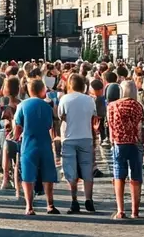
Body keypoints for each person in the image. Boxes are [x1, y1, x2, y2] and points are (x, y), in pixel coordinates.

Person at [13, 77, 58, 216]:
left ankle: (29, 206)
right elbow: (50, 125)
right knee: (48, 174)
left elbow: (18, 126)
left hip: (28, 142)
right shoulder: (47, 106)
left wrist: (16, 137)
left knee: (28, 174)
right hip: (44, 141)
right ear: (42, 90)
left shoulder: (22, 105)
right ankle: (50, 204)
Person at [57, 73, 98, 214]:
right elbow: (93, 118)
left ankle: (74, 200)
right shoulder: (89, 100)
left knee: (71, 171)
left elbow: (61, 117)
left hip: (69, 137)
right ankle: (89, 199)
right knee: (87, 169)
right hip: (86, 137)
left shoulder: (64, 99)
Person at [107, 79, 144, 219]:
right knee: (135, 176)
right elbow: (139, 126)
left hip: (118, 143)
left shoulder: (112, 105)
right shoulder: (137, 106)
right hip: (134, 143)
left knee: (118, 175)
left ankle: (120, 210)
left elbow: (110, 126)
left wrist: (113, 140)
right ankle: (135, 211)